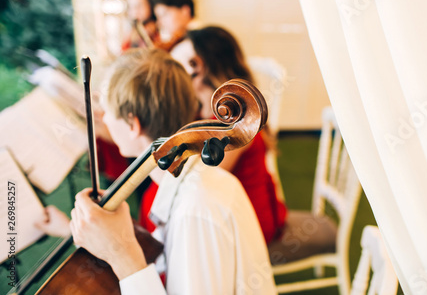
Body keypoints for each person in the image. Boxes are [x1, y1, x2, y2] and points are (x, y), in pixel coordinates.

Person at [36, 48, 276, 294]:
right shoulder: (187, 185)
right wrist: (81, 230)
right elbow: (160, 258)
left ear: (133, 124)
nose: (104, 120)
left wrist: (123, 257)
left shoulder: (195, 210)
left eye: (106, 111)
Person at [171, 26, 288, 244]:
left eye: (177, 68)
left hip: (247, 223)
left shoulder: (238, 119)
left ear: (201, 68)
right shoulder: (203, 111)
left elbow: (200, 179)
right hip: (221, 210)